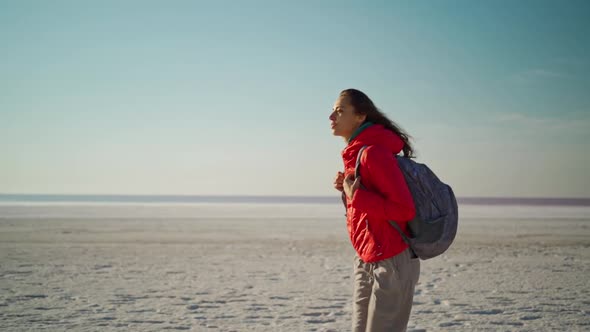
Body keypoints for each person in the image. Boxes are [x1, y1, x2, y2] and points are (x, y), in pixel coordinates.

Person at [330, 89, 420, 332]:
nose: (331, 117)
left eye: (339, 111)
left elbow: (404, 210)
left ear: (360, 116)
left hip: (391, 260)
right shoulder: (357, 155)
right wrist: (347, 188)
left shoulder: (374, 154)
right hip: (367, 258)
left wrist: (355, 195)